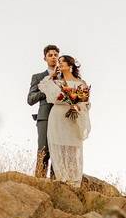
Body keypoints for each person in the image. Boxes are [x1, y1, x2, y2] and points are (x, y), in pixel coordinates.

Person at [37, 54, 92, 186]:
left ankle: (74, 181)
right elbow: (43, 85)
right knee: (58, 146)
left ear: (70, 65)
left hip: (73, 118)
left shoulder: (81, 83)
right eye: (58, 62)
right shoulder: (56, 82)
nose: (59, 63)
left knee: (73, 147)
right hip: (57, 117)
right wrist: (52, 76)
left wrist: (77, 107)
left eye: (61, 61)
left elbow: (86, 103)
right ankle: (61, 179)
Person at [27, 45, 59, 178]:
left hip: (61, 118)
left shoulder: (65, 76)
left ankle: (55, 184)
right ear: (44, 58)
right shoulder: (38, 77)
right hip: (44, 117)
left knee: (58, 151)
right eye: (50, 55)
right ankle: (39, 182)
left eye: (56, 55)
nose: (53, 57)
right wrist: (46, 88)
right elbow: (30, 99)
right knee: (43, 150)